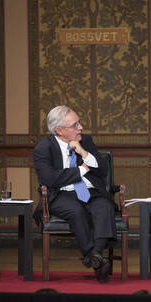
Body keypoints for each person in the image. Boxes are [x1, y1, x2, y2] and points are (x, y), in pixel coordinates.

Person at [33, 105, 117, 283]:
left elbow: (102, 170)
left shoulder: (85, 140)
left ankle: (95, 256)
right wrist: (81, 170)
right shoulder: (43, 149)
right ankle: (97, 260)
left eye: (79, 123)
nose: (80, 127)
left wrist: (84, 153)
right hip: (60, 194)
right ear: (59, 130)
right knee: (76, 211)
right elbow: (50, 179)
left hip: (89, 191)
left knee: (105, 207)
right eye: (75, 125)